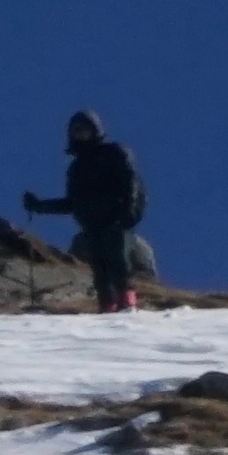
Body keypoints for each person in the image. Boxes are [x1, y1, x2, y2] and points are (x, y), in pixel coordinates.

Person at [29, 112, 154, 314]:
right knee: (101, 271)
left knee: (119, 264)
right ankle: (108, 307)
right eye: (76, 131)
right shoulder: (77, 168)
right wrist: (39, 206)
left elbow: (131, 183)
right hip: (92, 225)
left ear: (95, 130)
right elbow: (71, 203)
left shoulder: (114, 153)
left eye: (84, 129)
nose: (80, 134)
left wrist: (128, 212)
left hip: (115, 220)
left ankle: (127, 304)